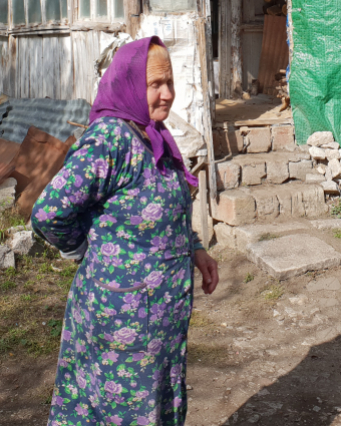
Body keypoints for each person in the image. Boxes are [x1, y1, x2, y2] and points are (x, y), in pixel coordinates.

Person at [32, 37, 219, 426]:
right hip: (121, 323)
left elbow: (170, 210)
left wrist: (196, 249)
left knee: (154, 406)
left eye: (170, 82)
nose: (167, 94)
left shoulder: (156, 136)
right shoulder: (111, 140)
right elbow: (50, 212)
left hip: (160, 320)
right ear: (131, 84)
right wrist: (83, 249)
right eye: (156, 84)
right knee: (119, 411)